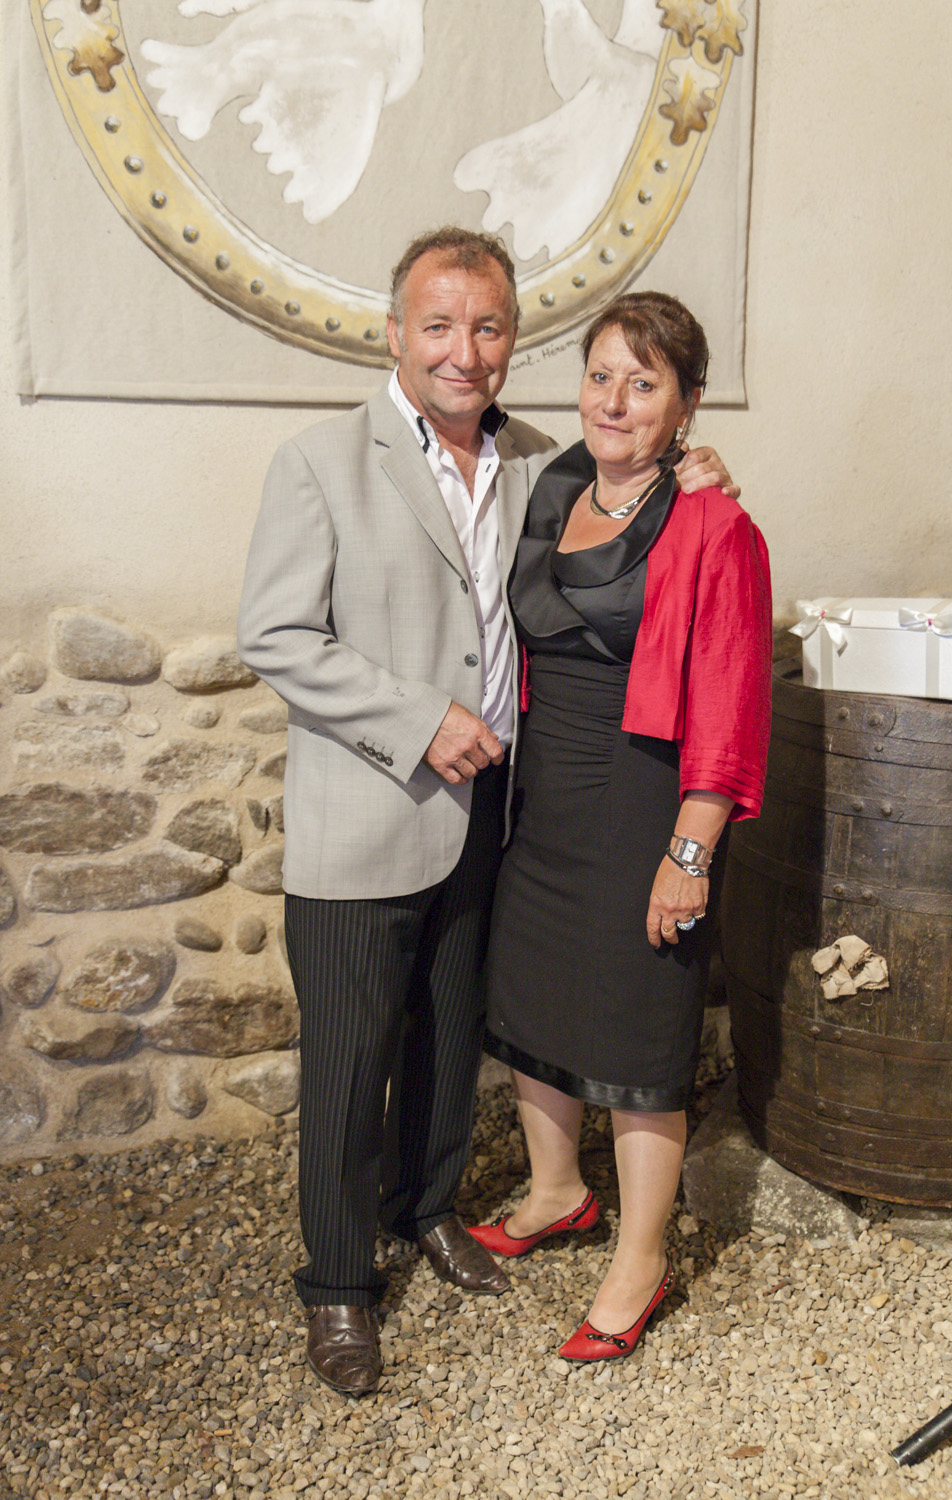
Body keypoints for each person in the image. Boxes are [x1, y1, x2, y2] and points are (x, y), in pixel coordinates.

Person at [238, 231, 736, 1397]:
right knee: (350, 1065)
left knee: (451, 1040)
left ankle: (425, 1211)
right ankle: (338, 1285)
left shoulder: (536, 464)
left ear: (512, 340)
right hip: (365, 816)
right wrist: (419, 720)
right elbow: (275, 634)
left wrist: (695, 468)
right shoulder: (320, 462)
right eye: (439, 326)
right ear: (395, 334)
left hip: (488, 818)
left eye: (489, 327)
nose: (463, 351)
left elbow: (632, 501)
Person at [471, 291, 772, 1364]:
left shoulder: (716, 525)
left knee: (643, 1021)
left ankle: (640, 1259)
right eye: (600, 375)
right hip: (547, 787)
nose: (614, 400)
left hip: (647, 790)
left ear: (686, 406)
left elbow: (731, 708)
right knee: (533, 987)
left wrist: (688, 855)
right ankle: (558, 1190)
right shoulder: (554, 486)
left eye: (644, 384)